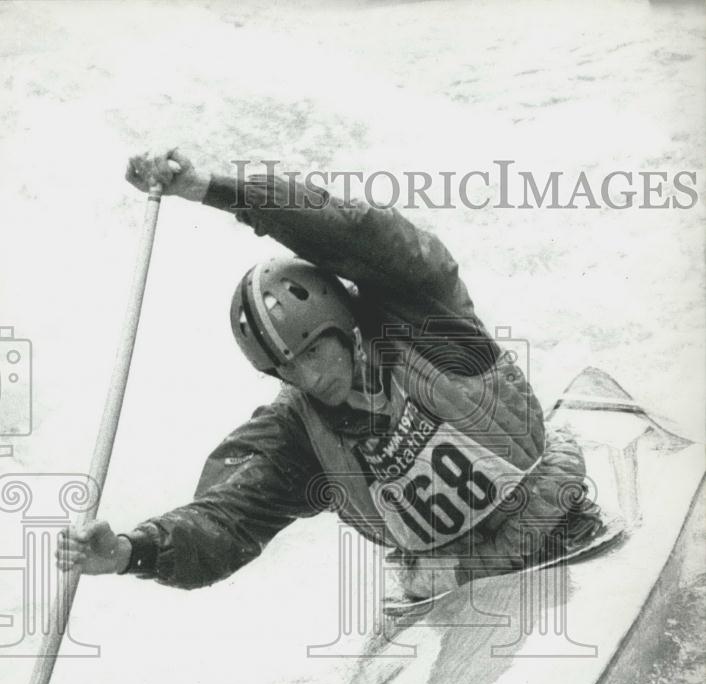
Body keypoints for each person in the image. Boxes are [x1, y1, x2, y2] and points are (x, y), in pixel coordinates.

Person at [57, 150, 599, 600]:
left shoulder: (424, 312)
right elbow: (226, 518)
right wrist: (134, 551)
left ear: (344, 326)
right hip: (452, 589)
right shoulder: (298, 433)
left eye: (314, 353)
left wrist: (213, 189)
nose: (310, 379)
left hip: (559, 528)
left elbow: (350, 230)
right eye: (286, 368)